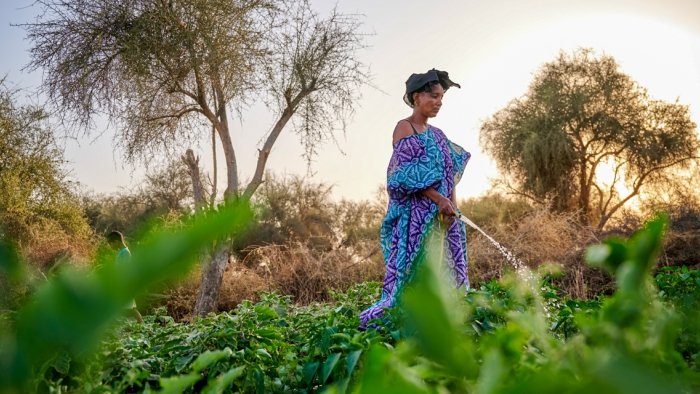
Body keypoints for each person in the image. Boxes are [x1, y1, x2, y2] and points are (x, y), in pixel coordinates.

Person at [359, 68, 471, 330]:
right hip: (416, 218)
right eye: (433, 96)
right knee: (412, 273)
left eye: (441, 98)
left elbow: (449, 173)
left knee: (447, 272)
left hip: (442, 217)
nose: (438, 102)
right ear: (416, 97)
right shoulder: (404, 128)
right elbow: (405, 175)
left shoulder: (439, 136)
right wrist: (437, 199)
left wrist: (452, 207)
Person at [107, 231, 144, 324]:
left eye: (110, 244)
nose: (110, 247)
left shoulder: (125, 253)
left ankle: (142, 324)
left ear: (116, 241)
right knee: (129, 308)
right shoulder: (123, 252)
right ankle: (141, 324)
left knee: (129, 308)